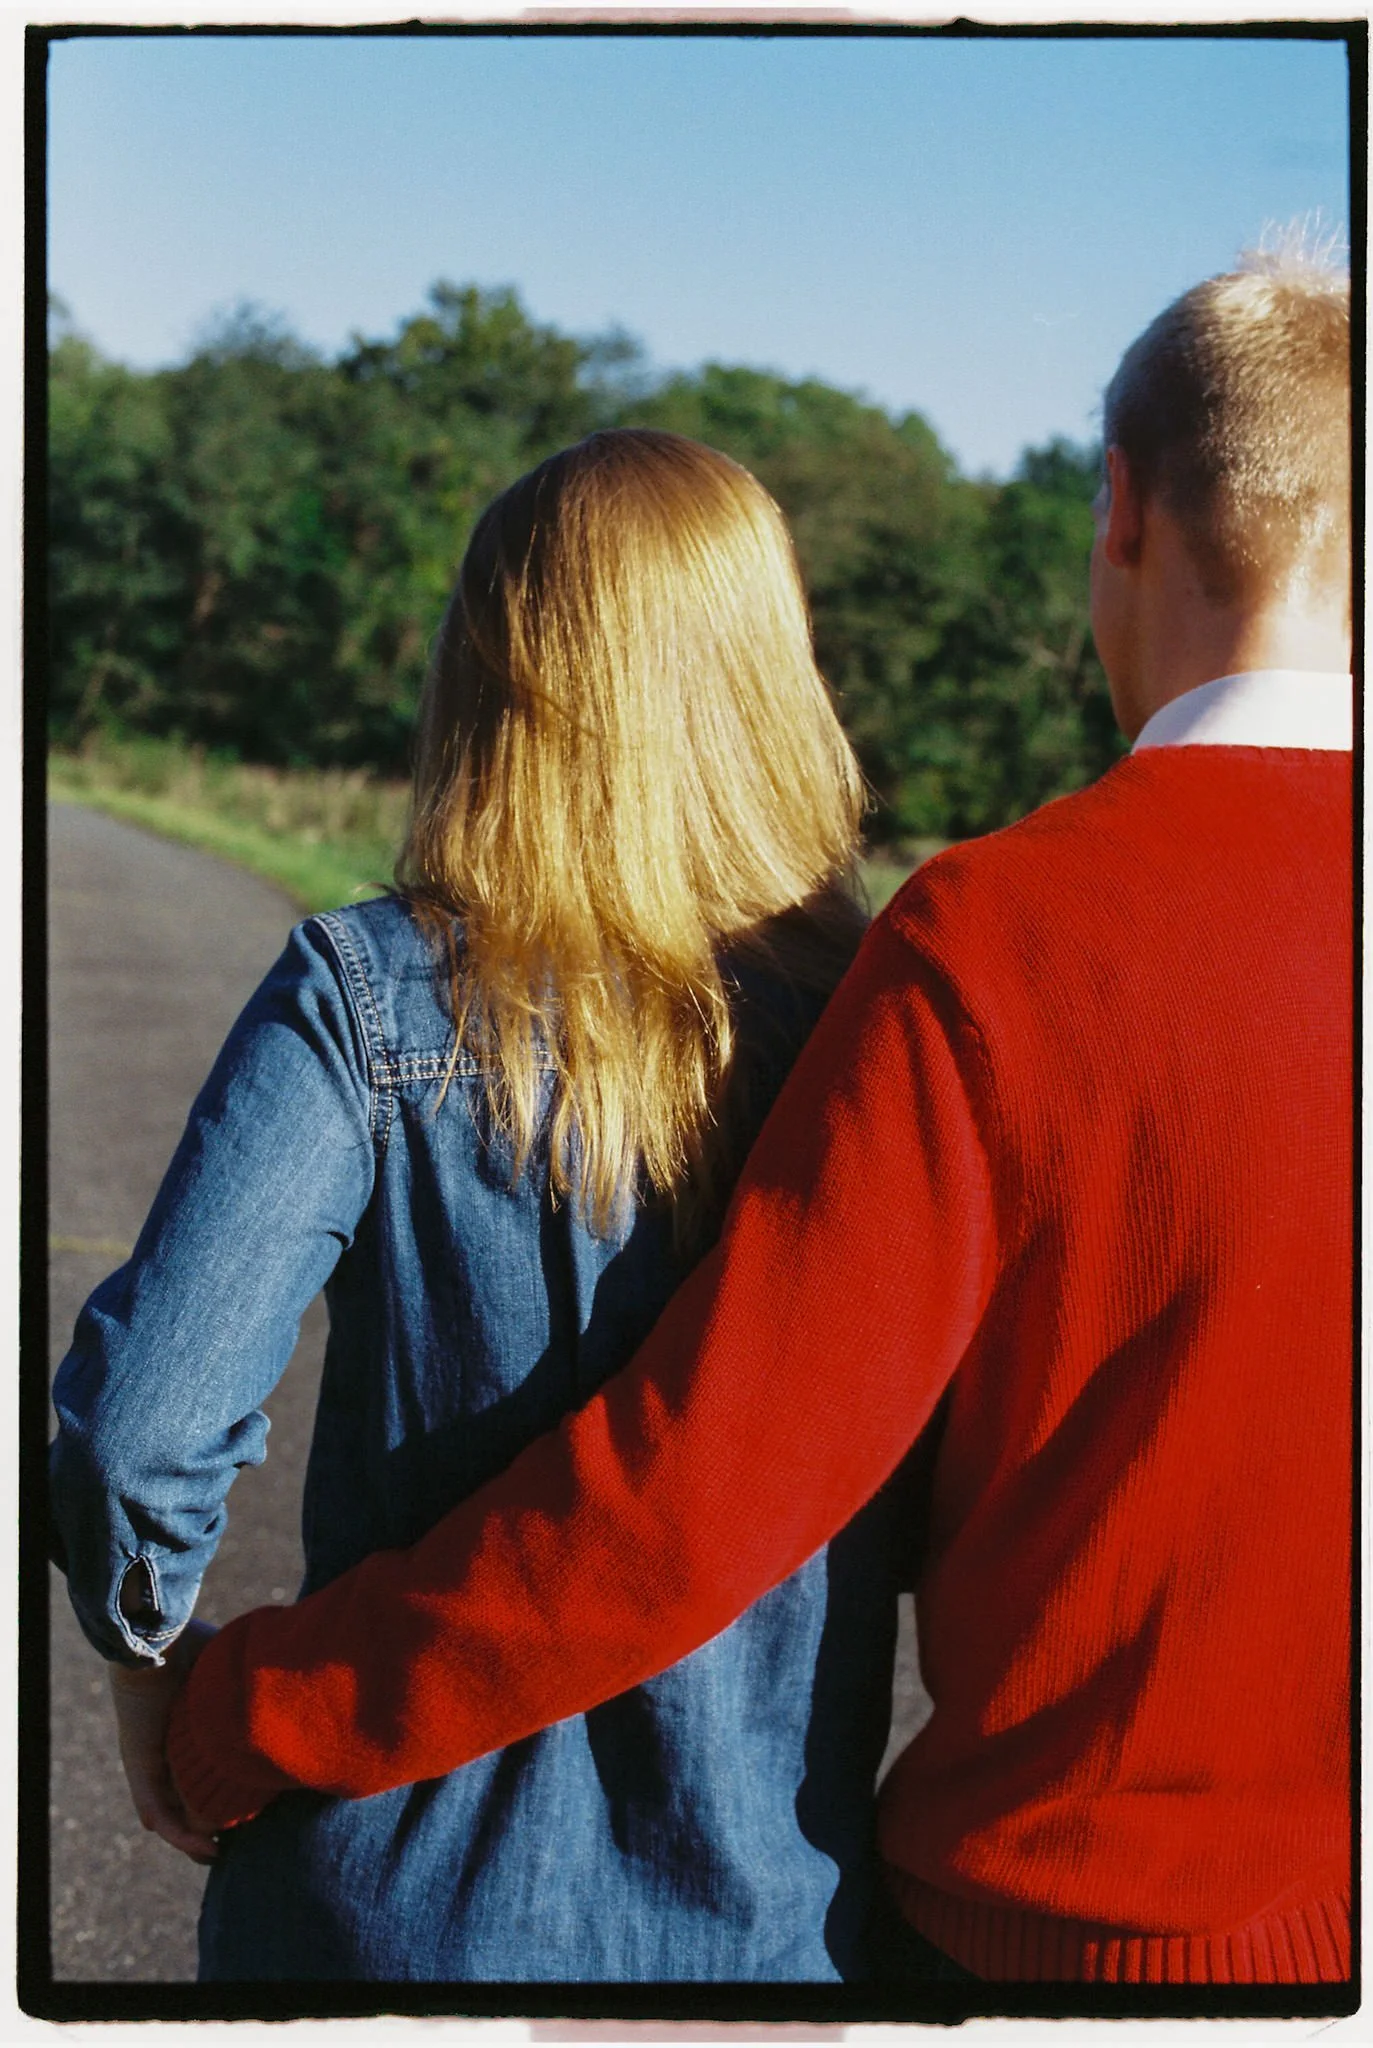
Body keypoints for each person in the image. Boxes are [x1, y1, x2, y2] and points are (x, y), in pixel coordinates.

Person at [152, 241, 1354, 1989]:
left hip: (1067, 1937)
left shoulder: (1004, 942)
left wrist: (236, 1712)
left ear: (1121, 511)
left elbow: (682, 1508)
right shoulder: (876, 963)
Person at [49, 428, 912, 1982]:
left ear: (495, 678)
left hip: (385, 1909)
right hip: (764, 1932)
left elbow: (140, 1429)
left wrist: (145, 1669)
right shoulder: (893, 1032)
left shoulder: (362, 996)